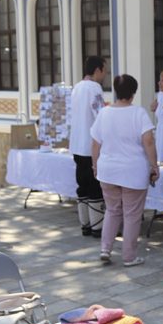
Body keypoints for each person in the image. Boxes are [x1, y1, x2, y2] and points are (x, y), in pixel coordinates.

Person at [91, 74, 159, 267]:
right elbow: (148, 141)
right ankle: (129, 256)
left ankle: (105, 248)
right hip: (133, 171)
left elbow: (95, 143)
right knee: (132, 214)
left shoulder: (104, 113)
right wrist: (154, 165)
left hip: (108, 169)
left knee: (112, 210)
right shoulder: (138, 113)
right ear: (133, 93)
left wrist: (95, 165)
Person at [69, 56, 107, 238]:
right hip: (90, 146)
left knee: (82, 186)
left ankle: (85, 225)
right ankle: (97, 227)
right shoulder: (94, 88)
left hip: (77, 144)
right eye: (104, 70)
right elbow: (100, 115)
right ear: (97, 70)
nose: (105, 74)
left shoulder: (77, 87)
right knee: (94, 187)